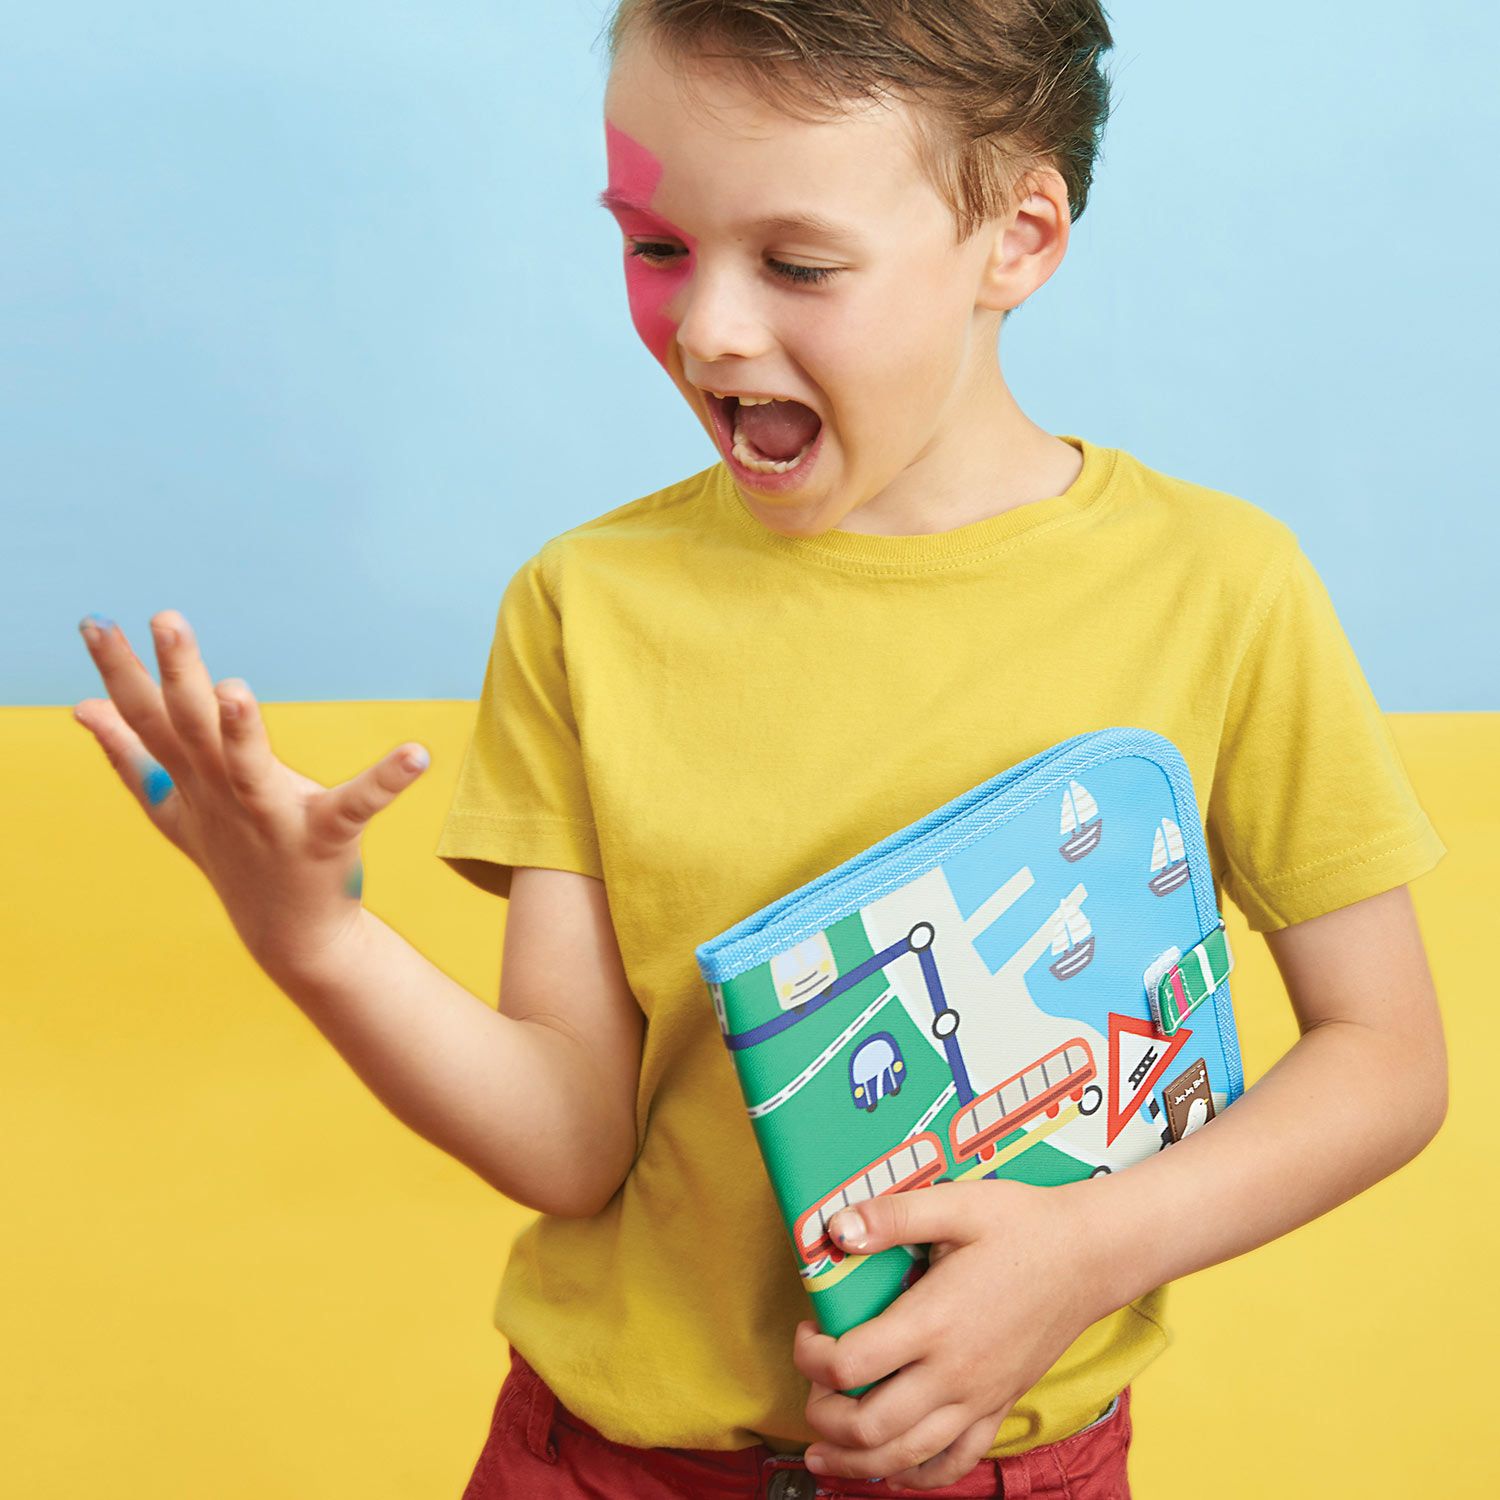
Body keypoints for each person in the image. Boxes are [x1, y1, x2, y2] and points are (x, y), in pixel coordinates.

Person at [72, 2, 1450, 1497]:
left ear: (1017, 239)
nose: (710, 329)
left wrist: (1086, 1254)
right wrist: (316, 941)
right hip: (598, 1468)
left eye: (798, 264)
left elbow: (1384, 1060)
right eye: (658, 245)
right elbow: (571, 1142)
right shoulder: (584, 608)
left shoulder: (1223, 591)